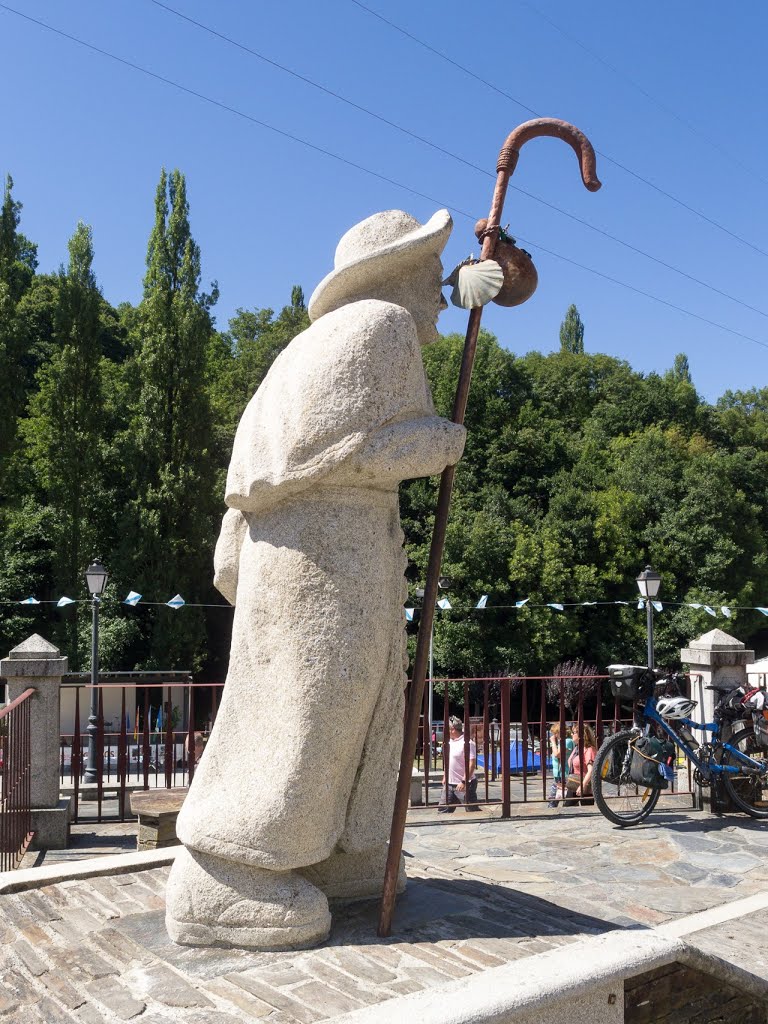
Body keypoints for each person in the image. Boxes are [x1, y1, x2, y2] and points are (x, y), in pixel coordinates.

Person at [166, 209, 466, 951]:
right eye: (433, 275)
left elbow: (260, 477)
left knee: (328, 700)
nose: (440, 291)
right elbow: (344, 448)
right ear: (392, 270)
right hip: (329, 555)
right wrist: (443, 441)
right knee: (311, 706)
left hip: (303, 550)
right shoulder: (378, 327)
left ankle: (329, 854)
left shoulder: (308, 346)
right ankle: (225, 877)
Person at [438, 716, 480, 813]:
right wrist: (445, 775)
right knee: (443, 810)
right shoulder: (450, 742)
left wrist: (464, 781)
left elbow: (471, 764)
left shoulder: (468, 743)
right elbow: (448, 761)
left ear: (452, 729)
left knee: (472, 811)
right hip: (449, 784)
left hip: (464, 784)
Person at [565, 723, 597, 805]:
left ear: (581, 735)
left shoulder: (589, 750)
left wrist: (582, 785)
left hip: (585, 786)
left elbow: (591, 770)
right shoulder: (577, 748)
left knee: (586, 812)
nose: (572, 734)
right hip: (573, 783)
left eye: (574, 732)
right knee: (567, 809)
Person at [547, 722, 574, 808]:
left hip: (565, 774)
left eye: (555, 733)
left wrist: (552, 742)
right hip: (558, 775)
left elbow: (557, 754)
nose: (554, 735)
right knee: (554, 798)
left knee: (566, 799)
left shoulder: (567, 741)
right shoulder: (561, 742)